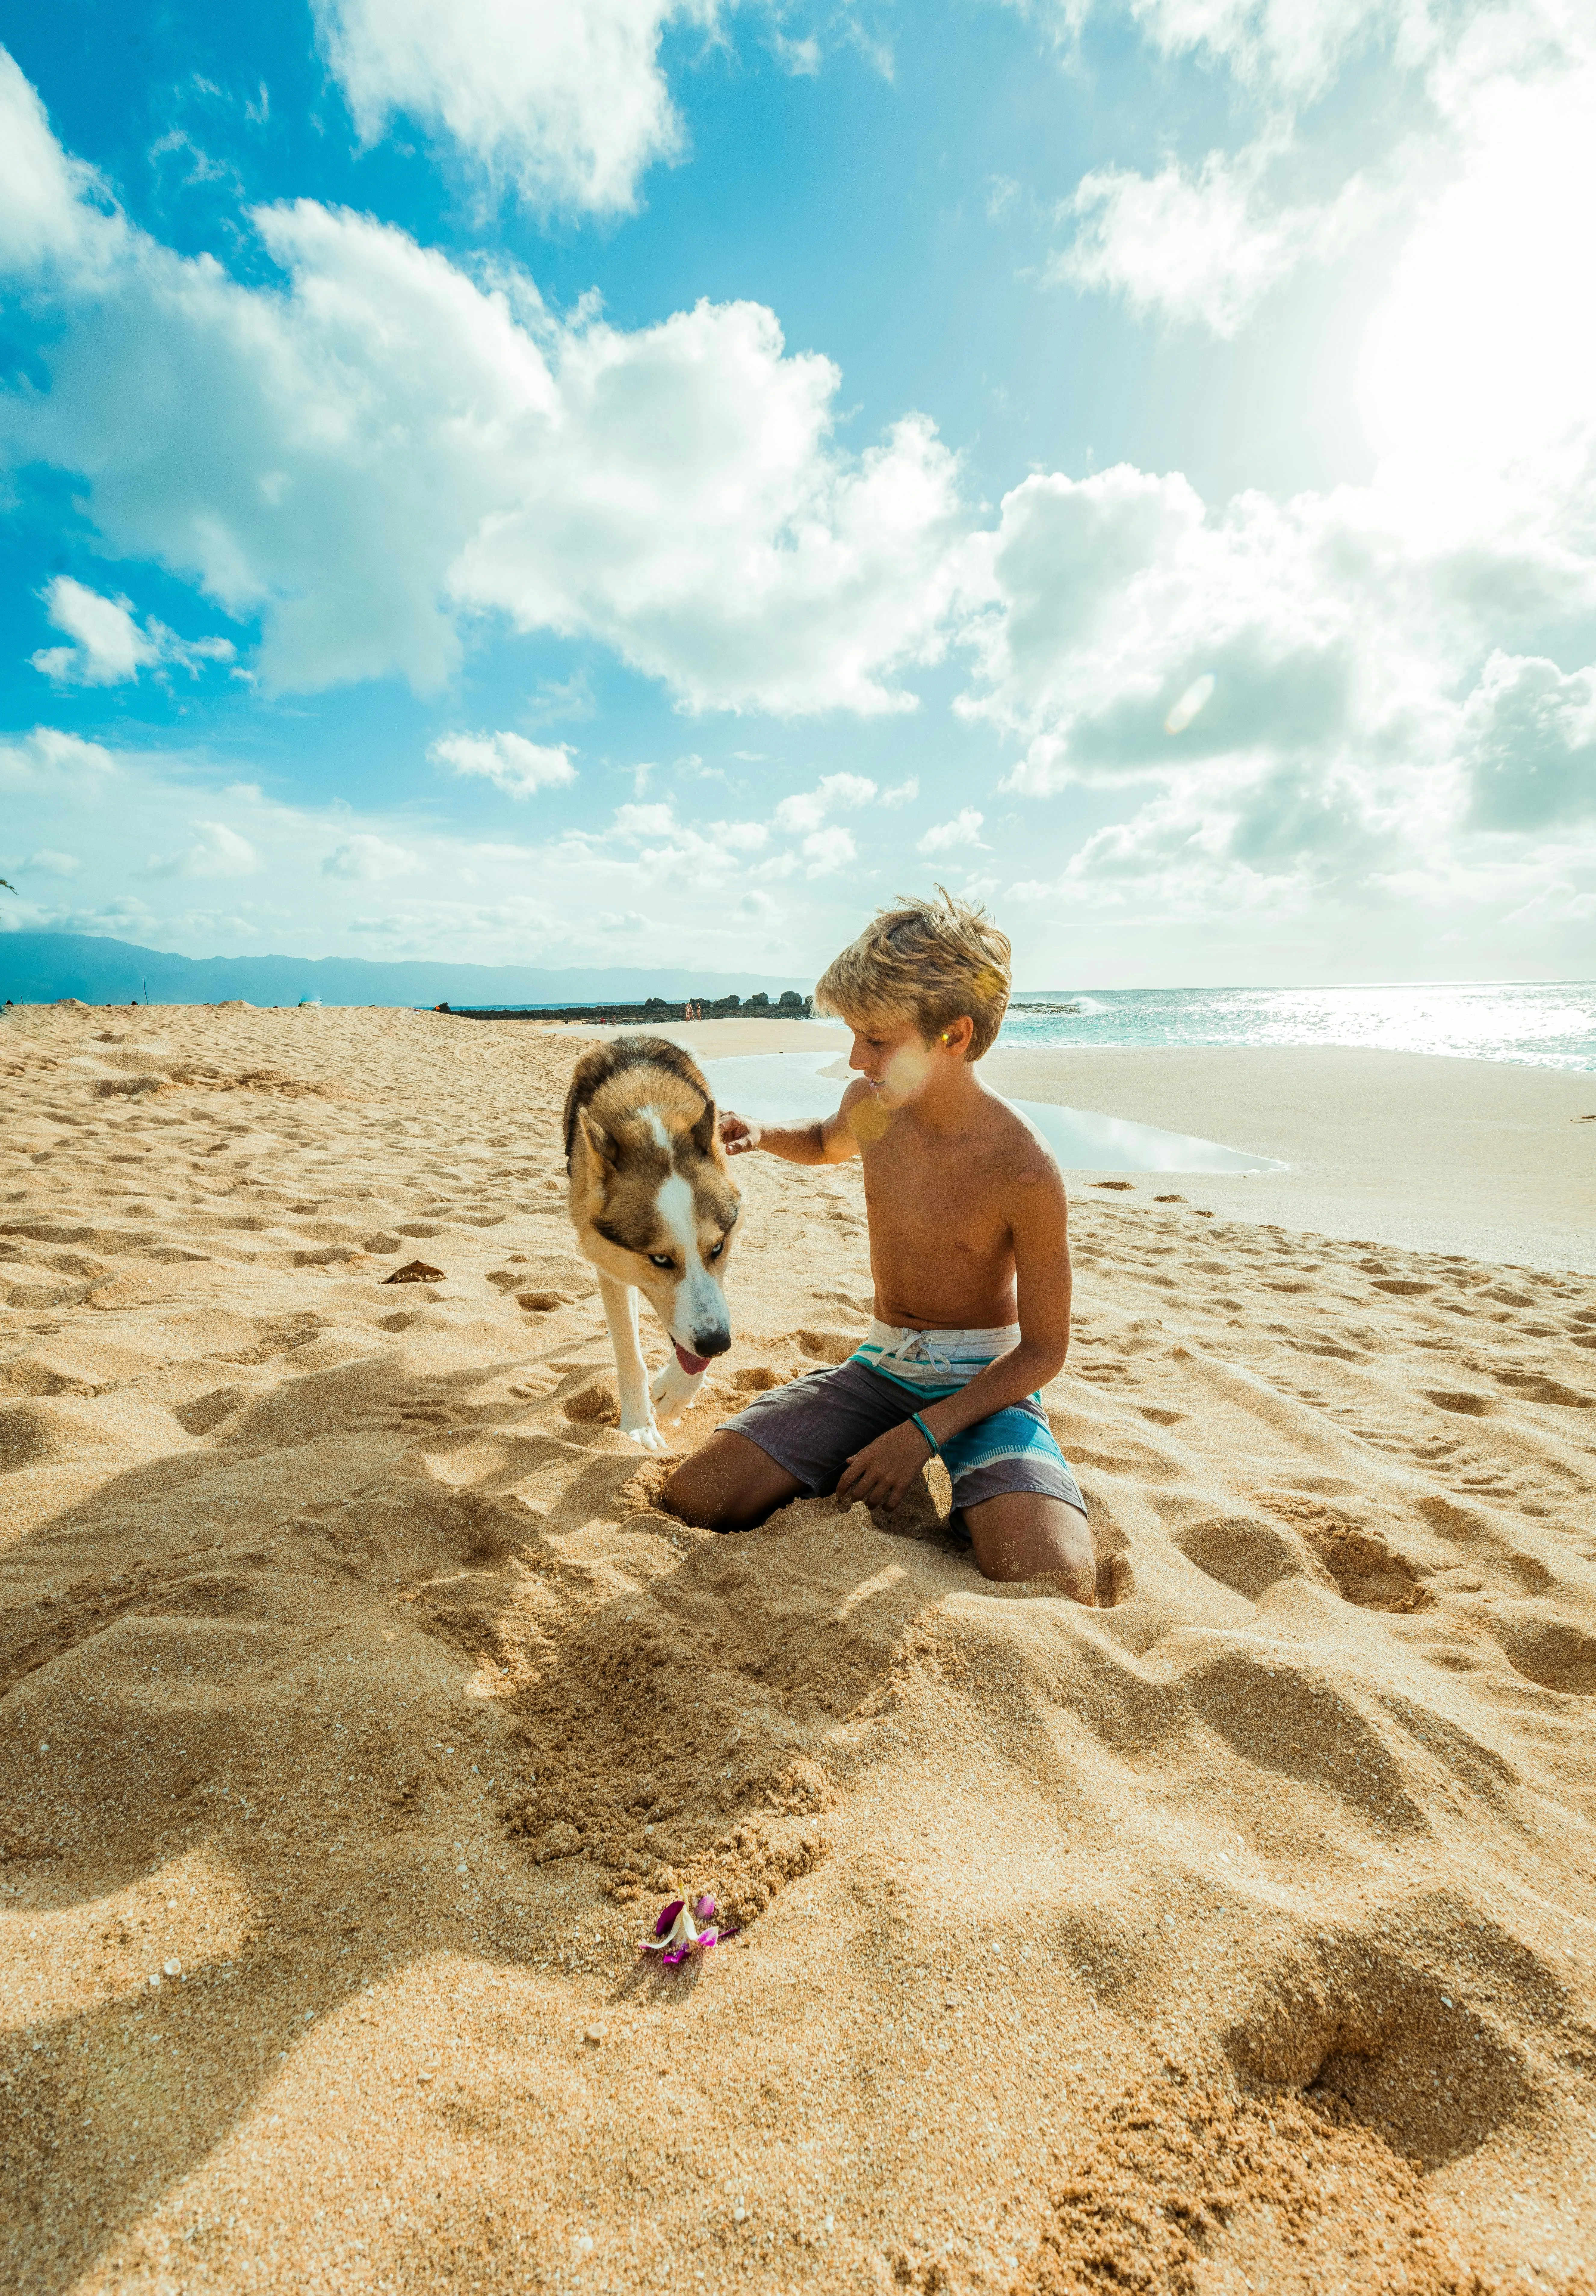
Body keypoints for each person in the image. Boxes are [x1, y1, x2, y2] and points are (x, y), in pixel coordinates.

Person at [660, 890, 1096, 1599]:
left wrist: (924, 1433)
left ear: (952, 1036)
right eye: (854, 1035)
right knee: (698, 1496)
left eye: (877, 1039)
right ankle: (842, 1447)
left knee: (1053, 1575)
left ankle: (979, 1478)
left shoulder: (1023, 1168)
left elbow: (1044, 1350)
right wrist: (765, 1132)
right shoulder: (872, 1107)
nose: (856, 1057)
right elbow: (828, 1141)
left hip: (983, 1386)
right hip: (882, 1365)